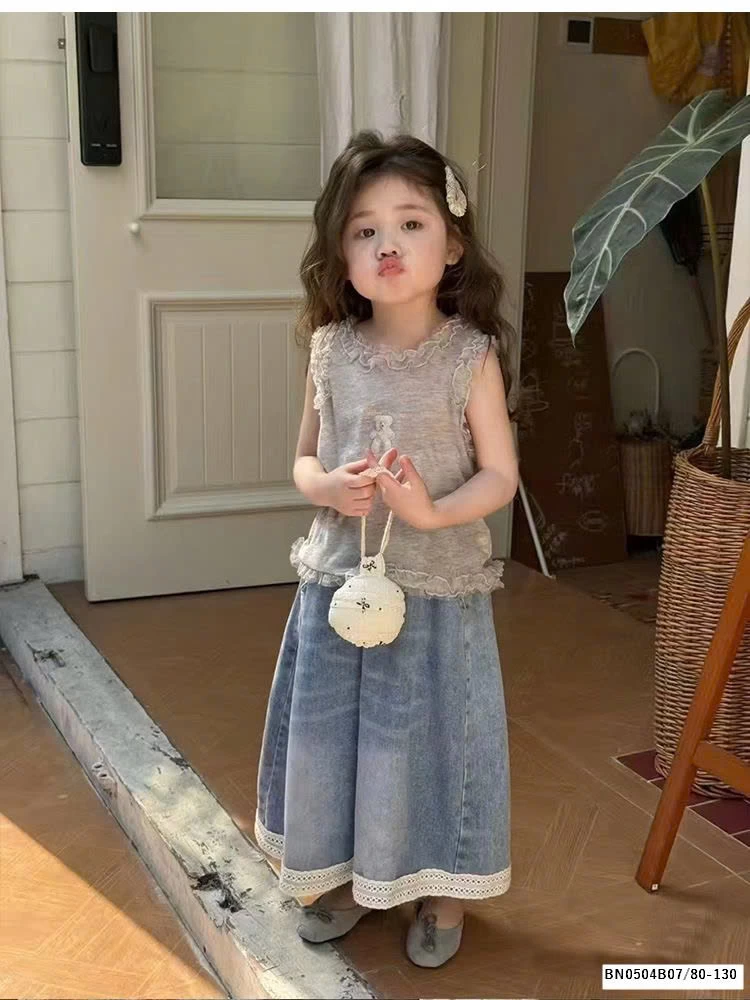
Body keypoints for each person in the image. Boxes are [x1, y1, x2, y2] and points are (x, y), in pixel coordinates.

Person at [255, 131, 518, 968]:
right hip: (338, 589)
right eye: (364, 230)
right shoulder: (330, 350)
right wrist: (328, 488)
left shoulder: (469, 356)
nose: (387, 244)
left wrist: (431, 514)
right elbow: (303, 460)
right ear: (341, 253)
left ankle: (442, 886)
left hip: (435, 592)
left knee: (431, 742)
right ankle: (342, 871)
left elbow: (500, 476)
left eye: (411, 223)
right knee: (337, 739)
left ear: (453, 245)